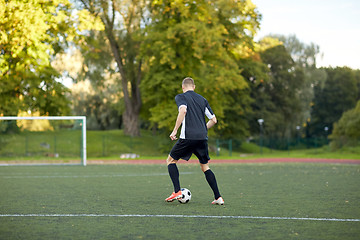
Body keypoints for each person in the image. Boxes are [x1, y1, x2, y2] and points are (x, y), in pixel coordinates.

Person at [165, 77, 224, 205]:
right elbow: (214, 120)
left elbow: (183, 110)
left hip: (188, 137)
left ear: (182, 87)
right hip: (202, 138)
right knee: (205, 167)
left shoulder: (181, 97)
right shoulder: (203, 99)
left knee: (170, 160)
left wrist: (175, 130)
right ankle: (218, 197)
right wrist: (203, 129)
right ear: (194, 87)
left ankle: (177, 191)